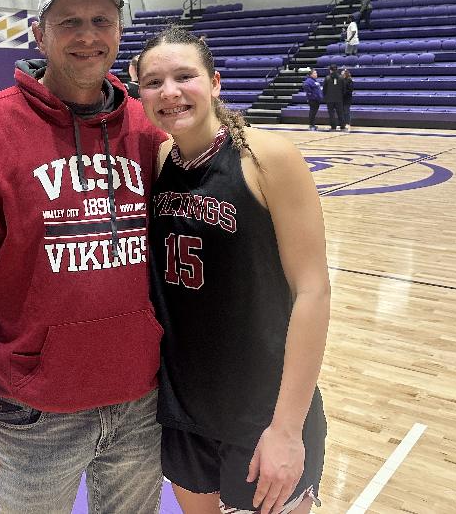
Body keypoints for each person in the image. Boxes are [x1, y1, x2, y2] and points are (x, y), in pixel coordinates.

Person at [0, 0, 167, 513]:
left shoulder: (148, 129)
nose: (87, 36)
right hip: (33, 414)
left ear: (119, 32)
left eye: (101, 20)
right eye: (69, 21)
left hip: (140, 404)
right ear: (39, 34)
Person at [136, 26, 329, 514]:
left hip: (263, 412)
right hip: (184, 408)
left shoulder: (268, 159)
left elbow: (313, 292)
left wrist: (287, 428)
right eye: (153, 82)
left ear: (215, 82)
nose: (170, 92)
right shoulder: (158, 161)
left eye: (185, 76)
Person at [323, 64, 345, 131]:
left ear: (330, 70)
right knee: (340, 113)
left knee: (331, 114)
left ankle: (333, 127)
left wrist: (326, 97)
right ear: (337, 69)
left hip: (330, 99)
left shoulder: (327, 78)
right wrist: (341, 96)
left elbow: (324, 89)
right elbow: (344, 89)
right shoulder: (341, 78)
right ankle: (342, 127)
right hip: (339, 99)